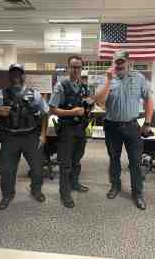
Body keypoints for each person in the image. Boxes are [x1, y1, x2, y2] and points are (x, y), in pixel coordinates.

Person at [0, 64, 48, 210]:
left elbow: (45, 113)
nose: (16, 77)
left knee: (38, 168)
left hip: (31, 137)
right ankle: (7, 195)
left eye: (19, 74)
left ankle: (36, 190)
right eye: (13, 74)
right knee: (7, 170)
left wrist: (43, 135)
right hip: (9, 138)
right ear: (9, 76)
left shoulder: (35, 94)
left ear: (23, 76)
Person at [97, 50, 153, 210]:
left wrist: (147, 123)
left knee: (135, 161)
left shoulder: (139, 78)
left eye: (122, 61)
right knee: (114, 159)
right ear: (113, 62)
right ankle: (115, 186)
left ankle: (138, 192)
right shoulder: (106, 78)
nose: (119, 64)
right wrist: (108, 81)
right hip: (112, 126)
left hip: (132, 126)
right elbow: (99, 101)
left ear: (128, 62)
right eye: (116, 61)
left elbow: (148, 99)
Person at [49, 56, 93, 208]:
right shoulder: (61, 86)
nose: (76, 70)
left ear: (82, 69)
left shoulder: (84, 86)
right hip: (67, 129)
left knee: (76, 160)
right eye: (73, 67)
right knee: (65, 163)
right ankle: (64, 192)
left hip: (81, 129)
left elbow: (87, 105)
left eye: (79, 67)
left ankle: (74, 184)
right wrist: (72, 112)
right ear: (68, 68)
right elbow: (52, 109)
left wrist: (88, 107)